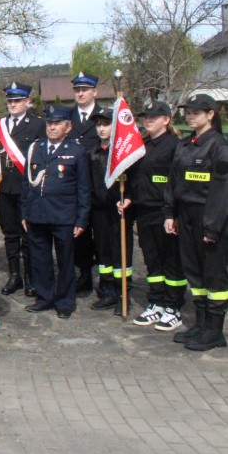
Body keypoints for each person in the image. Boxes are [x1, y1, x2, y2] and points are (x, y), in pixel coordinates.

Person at [164, 93, 228, 351]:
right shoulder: (186, 144)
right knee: (194, 272)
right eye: (187, 112)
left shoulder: (219, 147)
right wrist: (170, 213)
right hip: (186, 216)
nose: (189, 115)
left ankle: (215, 330)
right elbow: (173, 182)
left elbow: (221, 192)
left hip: (209, 216)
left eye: (195, 112)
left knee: (214, 276)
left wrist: (212, 226)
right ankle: (201, 324)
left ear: (210, 114)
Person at [21, 104, 91, 321]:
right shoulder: (36, 148)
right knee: (40, 260)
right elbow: (27, 185)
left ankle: (65, 302)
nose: (51, 127)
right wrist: (24, 212)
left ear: (67, 127)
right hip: (37, 215)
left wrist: (82, 218)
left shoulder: (76, 151)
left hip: (64, 216)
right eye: (49, 123)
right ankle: (44, 298)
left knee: (65, 261)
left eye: (57, 123)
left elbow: (84, 188)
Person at [129, 101, 186, 330]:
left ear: (166, 119)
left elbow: (177, 182)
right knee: (152, 260)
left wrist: (173, 212)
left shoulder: (174, 146)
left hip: (164, 211)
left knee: (170, 260)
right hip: (143, 210)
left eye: (154, 117)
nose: (148, 120)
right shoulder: (143, 144)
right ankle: (157, 301)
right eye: (145, 117)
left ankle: (174, 305)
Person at [0, 82, 44, 297]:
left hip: (26, 188)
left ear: (27, 102)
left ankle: (30, 277)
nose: (13, 104)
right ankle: (14, 274)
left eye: (17, 100)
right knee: (10, 233)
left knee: (28, 233)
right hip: (3, 187)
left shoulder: (37, 125)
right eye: (10, 100)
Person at [86, 108, 133, 312]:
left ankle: (123, 293)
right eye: (98, 125)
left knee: (119, 252)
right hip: (98, 211)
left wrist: (129, 198)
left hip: (119, 211)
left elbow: (134, 182)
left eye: (106, 124)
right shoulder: (92, 152)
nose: (101, 129)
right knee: (103, 252)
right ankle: (108, 290)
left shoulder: (123, 153)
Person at [68, 72, 103, 295]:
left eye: (85, 89)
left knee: (101, 234)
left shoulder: (105, 117)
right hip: (73, 187)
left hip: (99, 185)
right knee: (79, 234)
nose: (80, 93)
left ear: (94, 92)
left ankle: (107, 280)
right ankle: (84, 275)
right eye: (77, 90)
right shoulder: (68, 118)